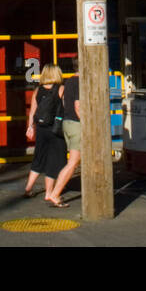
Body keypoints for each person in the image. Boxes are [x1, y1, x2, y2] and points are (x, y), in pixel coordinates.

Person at [23, 64, 68, 205]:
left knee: (39, 158)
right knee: (55, 161)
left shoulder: (37, 90)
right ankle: (49, 193)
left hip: (41, 129)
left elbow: (32, 112)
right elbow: (66, 109)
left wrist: (31, 127)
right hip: (56, 129)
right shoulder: (61, 89)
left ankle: (28, 188)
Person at [47, 58, 81, 206]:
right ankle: (55, 194)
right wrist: (87, 125)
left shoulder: (69, 82)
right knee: (73, 162)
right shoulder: (80, 82)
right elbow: (78, 106)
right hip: (76, 123)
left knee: (75, 161)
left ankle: (54, 192)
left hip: (67, 123)